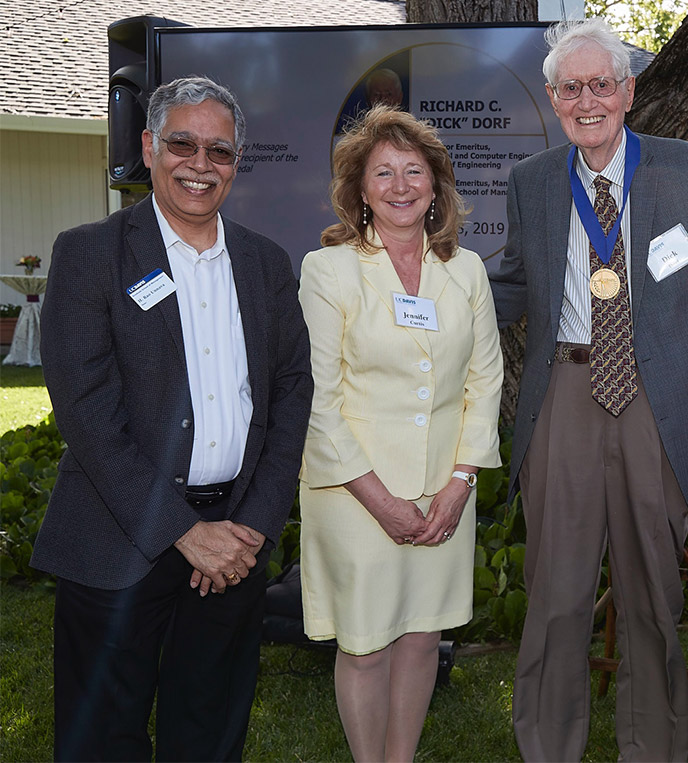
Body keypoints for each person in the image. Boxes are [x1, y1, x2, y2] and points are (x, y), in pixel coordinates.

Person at [488, 17, 688, 761]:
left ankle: (653, 751)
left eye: (602, 84)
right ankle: (549, 748)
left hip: (660, 406)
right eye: (572, 88)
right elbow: (509, 285)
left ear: (629, 90)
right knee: (554, 598)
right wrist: (421, 281)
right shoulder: (533, 184)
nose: (589, 100)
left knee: (653, 601)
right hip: (566, 402)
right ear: (554, 99)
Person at [32, 76, 312, 761]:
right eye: (183, 143)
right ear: (150, 146)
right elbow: (87, 411)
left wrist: (251, 528)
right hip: (117, 540)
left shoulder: (266, 264)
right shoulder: (90, 253)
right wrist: (183, 531)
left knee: (210, 733)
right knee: (103, 738)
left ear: (237, 163)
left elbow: (292, 391)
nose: (200, 163)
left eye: (219, 151)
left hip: (235, 542)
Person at [298, 104, 503, 762]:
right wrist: (381, 499)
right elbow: (318, 398)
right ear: (359, 189)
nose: (399, 185)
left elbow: (486, 380)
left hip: (445, 494)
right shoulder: (328, 271)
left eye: (413, 170)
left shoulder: (465, 271)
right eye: (382, 172)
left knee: (420, 637)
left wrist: (460, 482)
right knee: (365, 644)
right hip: (355, 492)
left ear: (436, 185)